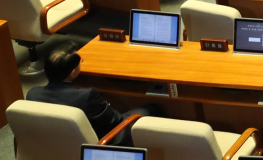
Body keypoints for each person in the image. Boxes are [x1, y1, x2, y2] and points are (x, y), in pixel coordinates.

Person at [28, 48, 163, 147]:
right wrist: (106, 105)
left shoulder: (32, 94)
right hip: (98, 142)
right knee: (150, 110)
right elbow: (116, 121)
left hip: (55, 144)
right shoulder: (87, 96)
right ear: (73, 72)